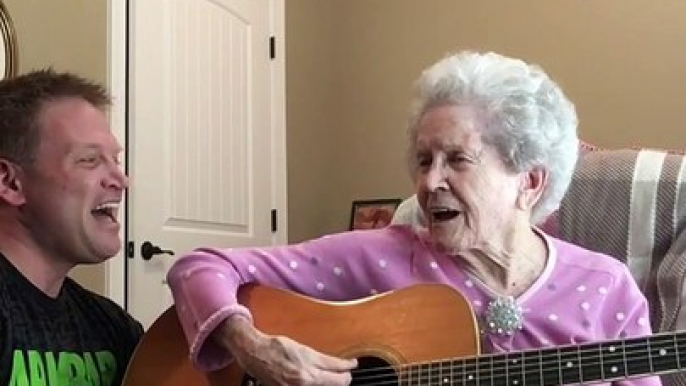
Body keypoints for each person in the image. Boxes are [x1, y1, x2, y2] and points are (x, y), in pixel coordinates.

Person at [166, 51, 661, 386]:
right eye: (424, 161)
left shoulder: (606, 289)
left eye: (457, 160)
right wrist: (250, 345)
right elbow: (199, 267)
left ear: (528, 182)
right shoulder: (381, 255)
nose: (429, 183)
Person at [0, 69, 143, 385]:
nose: (121, 180)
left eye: (115, 160)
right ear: (10, 182)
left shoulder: (113, 329)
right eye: (90, 160)